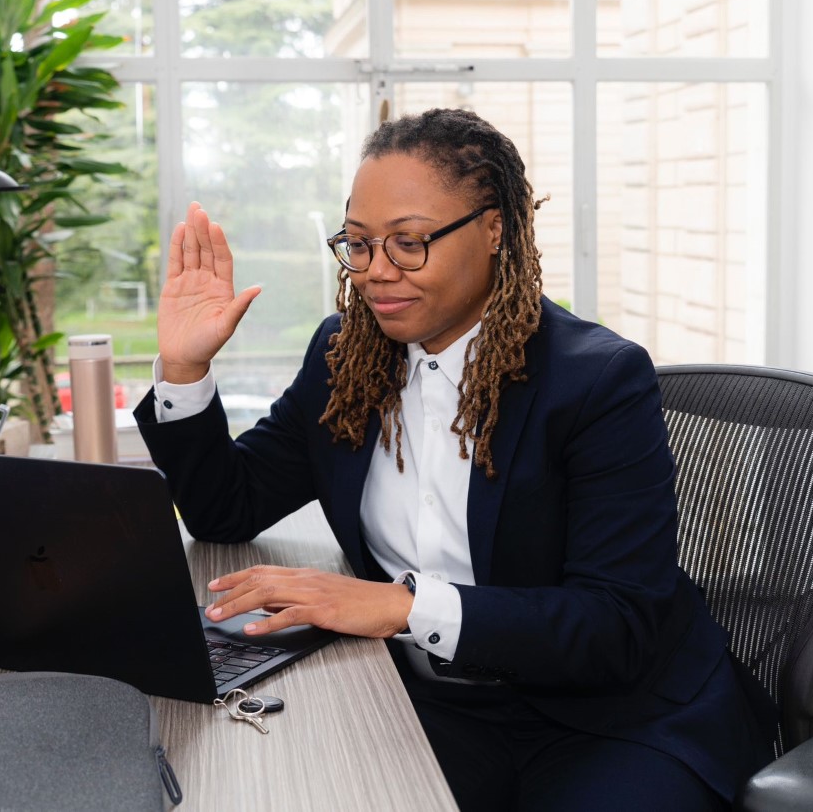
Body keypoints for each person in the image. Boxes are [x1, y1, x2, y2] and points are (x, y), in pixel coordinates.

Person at [134, 108, 773, 810]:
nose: (377, 273)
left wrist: (403, 607)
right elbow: (228, 506)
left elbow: (611, 625)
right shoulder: (346, 357)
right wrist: (185, 365)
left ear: (493, 228)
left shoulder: (597, 381)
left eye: (409, 242)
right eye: (358, 244)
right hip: (433, 704)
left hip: (615, 717)